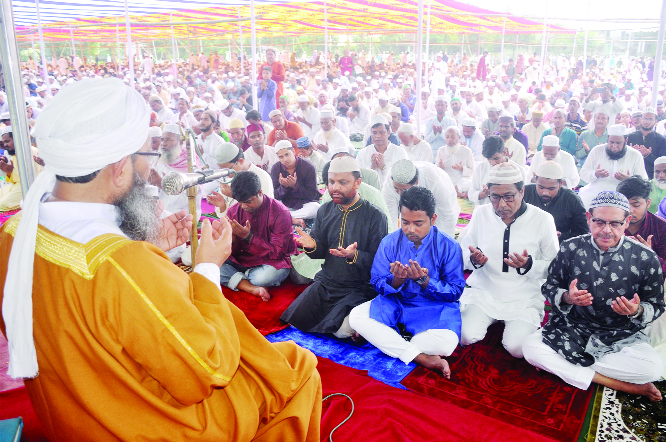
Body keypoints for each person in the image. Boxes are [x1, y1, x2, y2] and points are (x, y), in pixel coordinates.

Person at [0, 78, 322, 441]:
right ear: (120, 166)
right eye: (148, 157)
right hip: (150, 425)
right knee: (296, 368)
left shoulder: (14, 234)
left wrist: (143, 243)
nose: (150, 172)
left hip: (73, 411)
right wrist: (207, 267)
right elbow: (208, 367)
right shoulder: (124, 266)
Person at [522, 191, 664, 402]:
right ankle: (619, 384)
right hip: (572, 328)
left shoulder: (645, 257)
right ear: (589, 219)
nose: (606, 230)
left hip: (621, 334)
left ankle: (567, 365)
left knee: (652, 369)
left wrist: (638, 310)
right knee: (529, 349)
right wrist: (568, 298)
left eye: (615, 223)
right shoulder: (570, 248)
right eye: (599, 222)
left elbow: (657, 304)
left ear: (627, 222)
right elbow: (550, 288)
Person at [349, 186, 466, 377]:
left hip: (432, 308)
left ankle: (388, 340)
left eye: (418, 223)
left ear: (433, 219)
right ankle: (421, 357)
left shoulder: (449, 246)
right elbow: (377, 281)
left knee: (447, 343)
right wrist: (396, 280)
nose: (410, 229)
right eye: (405, 222)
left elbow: (455, 291)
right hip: (396, 303)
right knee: (356, 316)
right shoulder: (389, 242)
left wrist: (425, 281)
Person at [281, 156, 389, 338]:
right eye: (331, 182)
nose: (334, 188)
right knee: (295, 318)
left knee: (341, 332)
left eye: (342, 182)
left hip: (359, 287)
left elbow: (380, 263)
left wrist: (354, 255)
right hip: (328, 283)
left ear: (357, 183)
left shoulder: (376, 217)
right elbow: (320, 252)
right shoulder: (325, 210)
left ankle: (359, 318)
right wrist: (312, 246)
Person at [460, 162, 560, 358]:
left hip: (524, 297)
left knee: (517, 349)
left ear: (522, 191)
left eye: (508, 197)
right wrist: (474, 260)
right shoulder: (481, 213)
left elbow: (555, 268)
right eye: (495, 197)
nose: (502, 205)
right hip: (485, 293)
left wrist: (529, 265)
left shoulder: (543, 219)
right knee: (466, 336)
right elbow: (463, 251)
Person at [220, 171, 296, 301]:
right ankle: (251, 286)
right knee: (209, 260)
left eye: (248, 201)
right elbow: (231, 252)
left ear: (260, 192)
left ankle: (239, 279)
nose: (243, 207)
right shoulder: (233, 211)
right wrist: (232, 241)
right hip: (241, 260)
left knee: (265, 277)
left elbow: (278, 252)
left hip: (270, 262)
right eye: (239, 202)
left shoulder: (280, 212)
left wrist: (248, 237)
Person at [382, 159, 460, 237]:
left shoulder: (433, 180)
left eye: (404, 190)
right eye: (397, 189)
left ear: (416, 182)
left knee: (436, 232)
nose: (400, 194)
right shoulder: (389, 182)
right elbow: (390, 218)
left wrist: (446, 245)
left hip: (438, 209)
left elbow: (447, 216)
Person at [578, 124, 648, 209]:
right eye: (611, 142)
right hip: (596, 195)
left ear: (626, 140)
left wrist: (629, 180)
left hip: (624, 198)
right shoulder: (597, 150)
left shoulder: (635, 155)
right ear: (607, 139)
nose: (614, 146)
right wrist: (595, 174)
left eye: (618, 143)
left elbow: (644, 183)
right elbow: (583, 174)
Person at [523, 161, 589, 243]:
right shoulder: (524, 193)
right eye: (541, 187)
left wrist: (561, 236)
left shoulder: (572, 200)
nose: (545, 192)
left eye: (551, 189)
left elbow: (583, 233)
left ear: (561, 184)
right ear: (535, 180)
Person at [206, 142, 274, 217]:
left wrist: (235, 196)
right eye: (222, 170)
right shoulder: (227, 177)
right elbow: (224, 216)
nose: (226, 173)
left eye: (229, 169)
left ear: (240, 161)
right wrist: (222, 205)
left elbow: (265, 213)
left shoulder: (262, 177)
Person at [617, 176, 666, 275]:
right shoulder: (610, 223)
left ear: (648, 203)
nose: (630, 210)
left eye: (636, 205)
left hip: (648, 285)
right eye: (625, 204)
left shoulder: (662, 227)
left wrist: (650, 255)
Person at [271, 140, 321, 227]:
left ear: (293, 151)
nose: (285, 159)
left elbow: (313, 195)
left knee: (316, 209)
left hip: (304, 204)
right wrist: (283, 187)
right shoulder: (275, 168)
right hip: (285, 204)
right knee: (270, 206)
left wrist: (295, 186)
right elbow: (275, 195)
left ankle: (285, 216)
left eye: (287, 154)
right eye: (281, 157)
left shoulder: (308, 167)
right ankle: (291, 218)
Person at [469, 136, 527, 206]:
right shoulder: (480, 168)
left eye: (496, 158)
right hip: (485, 212)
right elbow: (471, 193)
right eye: (489, 159)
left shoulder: (519, 170)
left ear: (504, 152)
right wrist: (482, 194)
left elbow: (522, 196)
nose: (492, 163)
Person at [0, 126, 43, 211]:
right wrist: (7, 170)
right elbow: (13, 179)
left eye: (7, 141)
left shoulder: (30, 151)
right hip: (18, 185)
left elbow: (32, 177)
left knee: (3, 204)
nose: (5, 145)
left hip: (30, 187)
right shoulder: (15, 153)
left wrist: (11, 171)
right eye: (4, 142)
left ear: (16, 139)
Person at [356, 114, 408, 183]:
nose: (378, 136)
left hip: (392, 193)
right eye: (374, 133)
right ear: (371, 134)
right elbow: (357, 178)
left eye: (382, 132)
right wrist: (372, 168)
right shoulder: (363, 153)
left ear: (388, 133)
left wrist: (384, 167)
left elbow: (405, 177)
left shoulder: (399, 152)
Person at [435, 127, 475, 198]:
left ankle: (452, 191)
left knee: (472, 184)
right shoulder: (441, 150)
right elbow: (436, 172)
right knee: (436, 184)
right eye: (447, 137)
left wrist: (462, 168)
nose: (450, 139)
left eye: (453, 137)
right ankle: (458, 194)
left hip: (461, 181)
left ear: (459, 137)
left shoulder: (467, 151)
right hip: (447, 180)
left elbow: (472, 172)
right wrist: (440, 168)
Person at [626, 107, 666, 179]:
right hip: (632, 176)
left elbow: (662, 164)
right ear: (640, 120)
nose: (647, 122)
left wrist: (648, 155)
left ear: (655, 121)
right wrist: (632, 152)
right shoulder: (630, 137)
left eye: (650, 119)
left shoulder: (661, 140)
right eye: (645, 119)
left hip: (652, 178)